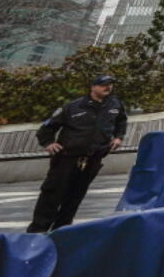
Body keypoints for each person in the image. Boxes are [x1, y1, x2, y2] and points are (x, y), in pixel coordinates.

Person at [26, 74, 127, 233]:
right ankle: (37, 231)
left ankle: (62, 231)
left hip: (93, 158)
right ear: (93, 87)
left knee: (75, 197)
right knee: (52, 195)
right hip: (67, 158)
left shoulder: (115, 105)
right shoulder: (73, 107)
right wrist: (49, 143)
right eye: (103, 84)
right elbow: (47, 128)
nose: (108, 87)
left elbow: (121, 121)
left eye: (110, 84)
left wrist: (118, 137)